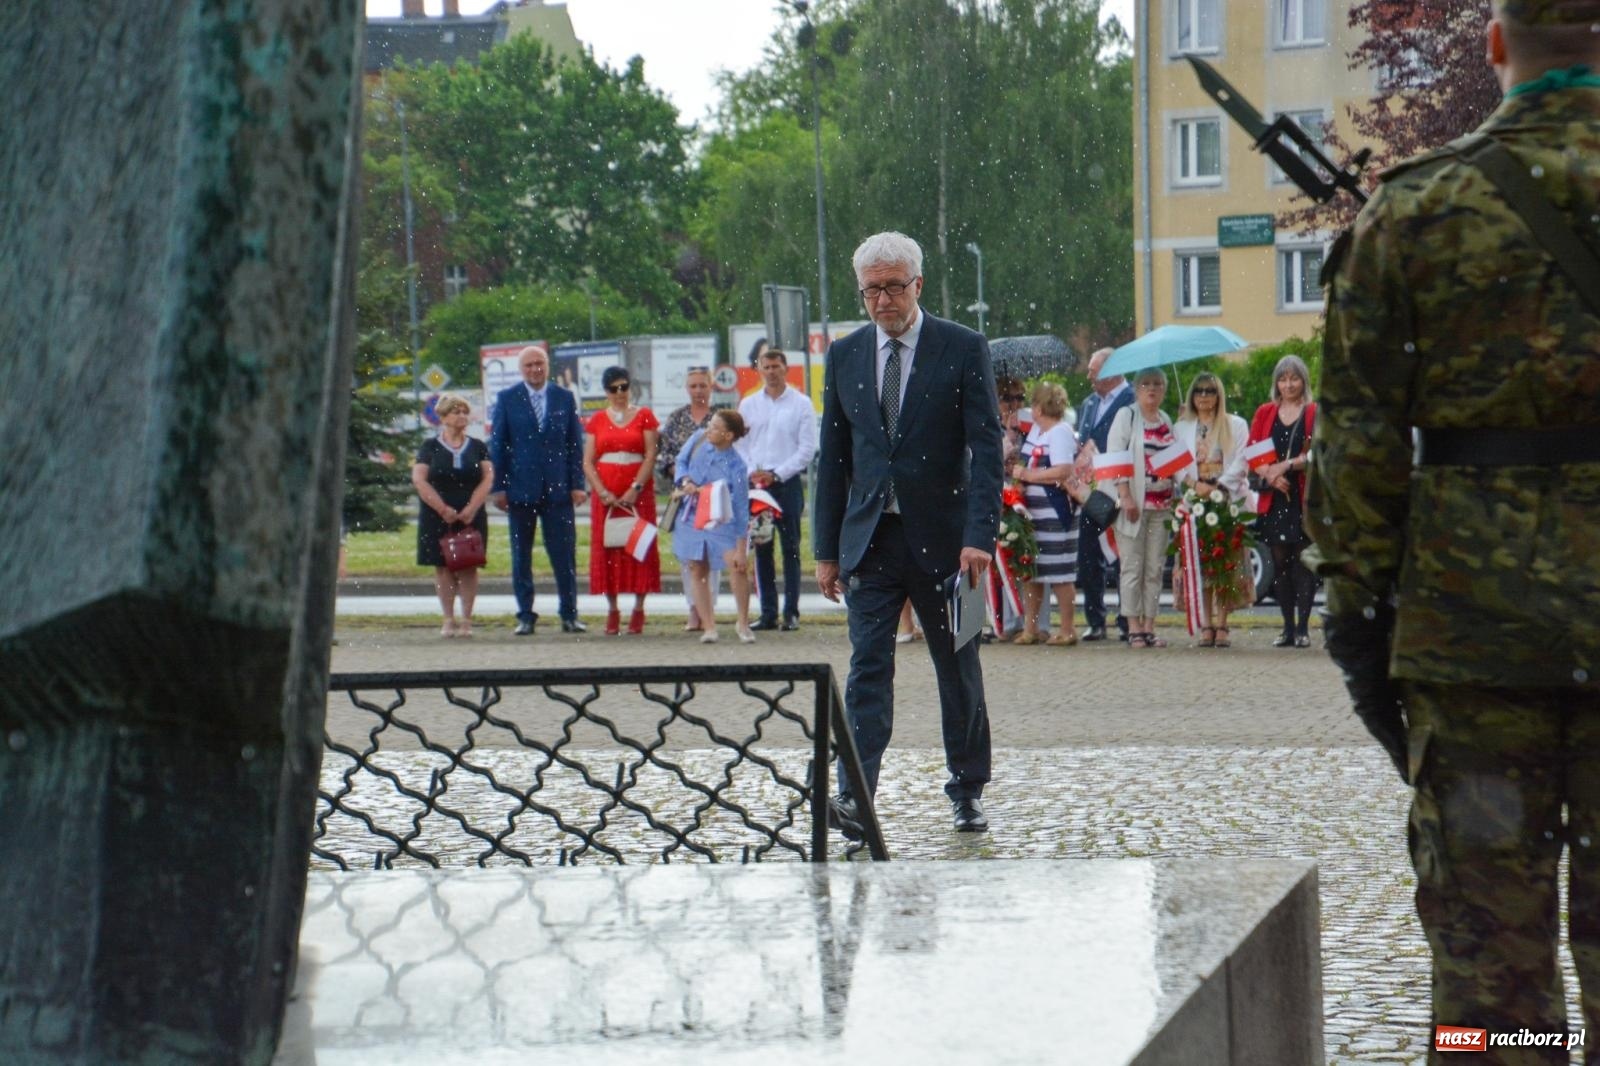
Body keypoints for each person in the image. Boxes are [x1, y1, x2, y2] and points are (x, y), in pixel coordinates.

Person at [1308, 0, 1600, 1052]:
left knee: (1489, 986)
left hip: (1476, 661)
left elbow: (1356, 465)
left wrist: (1360, 632)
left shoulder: (1416, 215)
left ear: (1493, 45)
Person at [814, 230, 1003, 835]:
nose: (883, 301)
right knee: (867, 668)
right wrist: (826, 550)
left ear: (918, 285)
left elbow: (987, 449)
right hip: (872, 541)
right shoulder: (844, 355)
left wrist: (981, 535)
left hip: (952, 546)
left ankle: (967, 788)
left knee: (959, 665)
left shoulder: (962, 347)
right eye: (872, 290)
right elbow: (834, 458)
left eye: (894, 287)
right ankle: (855, 798)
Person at [489, 345, 588, 635]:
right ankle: (525, 616)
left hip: (558, 492)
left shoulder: (563, 398)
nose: (535, 369)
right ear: (521, 369)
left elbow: (574, 445)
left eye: (539, 364)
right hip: (520, 491)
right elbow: (499, 446)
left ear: (547, 366)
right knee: (522, 556)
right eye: (529, 365)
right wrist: (499, 488)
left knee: (564, 555)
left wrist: (577, 485)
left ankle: (569, 614)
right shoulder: (508, 399)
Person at [738, 346, 817, 632]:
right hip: (758, 487)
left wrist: (777, 474)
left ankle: (791, 612)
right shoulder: (748, 405)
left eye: (776, 367)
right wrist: (753, 472)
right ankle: (768, 612)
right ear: (758, 370)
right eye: (766, 367)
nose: (771, 372)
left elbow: (806, 449)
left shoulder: (801, 404)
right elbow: (740, 444)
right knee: (762, 547)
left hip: (786, 484)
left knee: (791, 548)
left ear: (786, 369)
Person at [1173, 372, 1253, 648]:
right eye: (1199, 391)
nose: (1204, 396)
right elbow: (1176, 466)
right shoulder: (1182, 427)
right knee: (1201, 564)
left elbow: (1243, 460)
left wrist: (1219, 485)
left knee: (1225, 563)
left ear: (1219, 394)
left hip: (1225, 499)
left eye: (1209, 391)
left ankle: (1222, 623)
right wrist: (1195, 484)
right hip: (1195, 499)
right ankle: (1205, 623)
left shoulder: (1236, 425)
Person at [583, 366, 661, 635]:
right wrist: (602, 491)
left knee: (638, 546)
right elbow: (587, 461)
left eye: (623, 387)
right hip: (606, 493)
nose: (619, 393)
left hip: (636, 490)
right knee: (608, 549)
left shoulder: (644, 416)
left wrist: (636, 488)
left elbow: (650, 454)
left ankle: (639, 608)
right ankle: (612, 609)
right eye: (613, 389)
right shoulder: (596, 420)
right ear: (606, 392)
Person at [1247, 355, 1318, 648]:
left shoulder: (1314, 412)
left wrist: (1287, 467)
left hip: (1302, 498)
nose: (1288, 384)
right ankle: (1287, 627)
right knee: (1280, 565)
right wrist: (1271, 475)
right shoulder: (1265, 413)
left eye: (1294, 378)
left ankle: (1303, 628)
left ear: (1304, 381)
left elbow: (1318, 452)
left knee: (1304, 563)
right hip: (1274, 500)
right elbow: (1252, 451)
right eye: (1283, 379)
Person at [1007, 381, 1083, 646]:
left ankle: (1067, 628)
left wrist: (1028, 474)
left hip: (1056, 511)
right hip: (1035, 514)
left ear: (1039, 408)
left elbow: (1063, 470)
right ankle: (1031, 628)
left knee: (1060, 572)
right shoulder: (1039, 433)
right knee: (1033, 570)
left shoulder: (1060, 432)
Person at [411, 393, 494, 638]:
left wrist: (471, 508)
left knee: (469, 566)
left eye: (464, 412)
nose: (462, 416)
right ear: (444, 417)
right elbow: (419, 478)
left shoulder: (478, 446)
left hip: (470, 514)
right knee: (443, 567)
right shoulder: (430, 447)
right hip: (438, 515)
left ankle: (467, 620)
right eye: (456, 412)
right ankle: (448, 619)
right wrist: (442, 509)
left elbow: (488, 477)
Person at [1107, 367, 1176, 649]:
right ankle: (1133, 626)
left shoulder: (1167, 419)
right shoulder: (1128, 416)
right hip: (1133, 503)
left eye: (1158, 385)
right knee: (1132, 567)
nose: (1152, 389)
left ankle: (1150, 625)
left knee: (1155, 568)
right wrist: (1125, 495)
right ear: (1136, 390)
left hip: (1162, 505)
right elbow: (1116, 455)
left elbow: (1173, 460)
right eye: (1146, 384)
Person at [672, 410, 754, 644]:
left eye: (715, 427)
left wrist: (741, 547)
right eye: (710, 424)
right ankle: (708, 625)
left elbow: (740, 507)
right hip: (691, 515)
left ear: (728, 435)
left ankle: (743, 621)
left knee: (737, 567)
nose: (709, 429)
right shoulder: (698, 439)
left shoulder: (737, 466)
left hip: (721, 519)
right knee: (697, 568)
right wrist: (685, 480)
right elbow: (681, 461)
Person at [1077, 346, 1134, 642]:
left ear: (1111, 372)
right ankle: (1095, 619)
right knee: (1088, 556)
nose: (1088, 375)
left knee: (1124, 556)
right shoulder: (1088, 404)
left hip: (1121, 488)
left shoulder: (1132, 400)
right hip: (1091, 491)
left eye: (1093, 370)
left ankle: (1128, 619)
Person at [656, 366, 719, 631]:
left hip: (714, 496)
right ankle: (693, 609)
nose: (698, 391)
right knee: (688, 557)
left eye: (702, 385)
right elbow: (665, 455)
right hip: (684, 498)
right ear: (687, 388)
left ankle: (709, 611)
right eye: (693, 386)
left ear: (711, 386)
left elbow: (731, 453)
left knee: (710, 556)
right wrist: (684, 478)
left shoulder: (721, 418)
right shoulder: (676, 419)